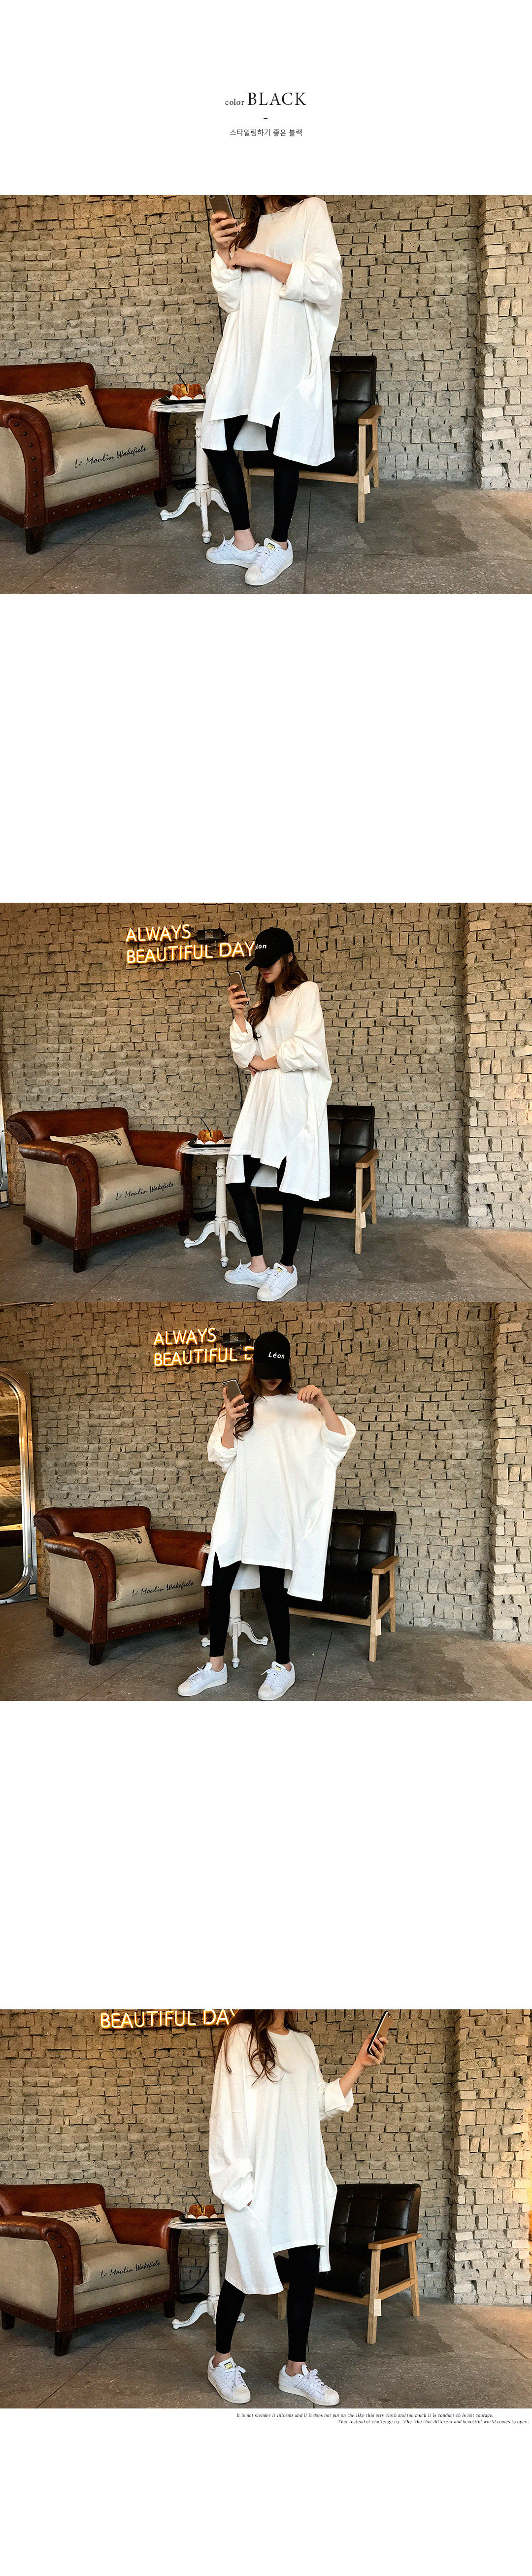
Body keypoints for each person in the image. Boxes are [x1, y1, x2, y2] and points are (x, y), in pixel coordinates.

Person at [206, 2009, 389, 2406]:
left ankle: (295, 2370)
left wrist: (359, 2064)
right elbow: (227, 2113)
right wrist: (236, 2182)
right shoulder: (241, 2037)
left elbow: (317, 2104)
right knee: (242, 2266)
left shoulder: (303, 2043)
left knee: (306, 2269)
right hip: (260, 2177)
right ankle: (221, 2360)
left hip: (302, 2176)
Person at [177, 1329, 355, 1702]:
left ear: (287, 1368)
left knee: (274, 1590)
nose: (272, 1378)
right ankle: (215, 1667)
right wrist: (229, 1421)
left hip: (276, 1516)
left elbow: (339, 1442)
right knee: (220, 1585)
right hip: (239, 1510)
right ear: (254, 1366)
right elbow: (223, 1457)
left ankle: (284, 1667)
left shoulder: (303, 1408)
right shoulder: (240, 1406)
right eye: (265, 1370)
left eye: (278, 1371)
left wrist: (324, 1405)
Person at [202, 196, 342, 587]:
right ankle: (244, 541)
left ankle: (280, 545)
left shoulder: (310, 210)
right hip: (244, 345)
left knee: (285, 443)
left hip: (286, 343)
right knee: (215, 437)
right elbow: (231, 300)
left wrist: (259, 260)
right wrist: (224, 252)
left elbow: (325, 282)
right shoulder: (248, 227)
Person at [225, 924, 332, 1301]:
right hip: (262, 1101)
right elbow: (244, 1058)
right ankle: (258, 1266)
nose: (264, 968)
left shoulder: (306, 993)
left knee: (291, 1181)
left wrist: (265, 1062)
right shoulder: (261, 1007)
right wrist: (240, 1017)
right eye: (260, 962)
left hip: (292, 1099)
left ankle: (286, 1268)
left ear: (289, 958)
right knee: (238, 1176)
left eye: (271, 961)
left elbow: (308, 1049)